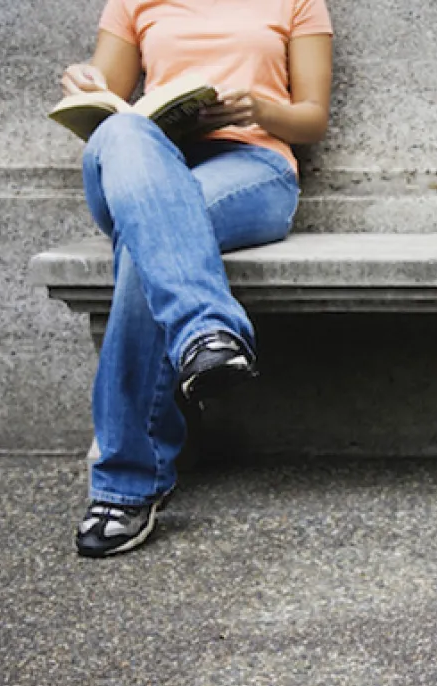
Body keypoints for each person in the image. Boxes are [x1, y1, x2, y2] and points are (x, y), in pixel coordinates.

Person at [62, 0, 333, 557]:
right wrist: (84, 85)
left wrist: (256, 108)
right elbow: (104, 103)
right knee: (126, 134)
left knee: (150, 244)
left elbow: (312, 116)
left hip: (251, 168)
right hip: (144, 161)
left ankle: (125, 487)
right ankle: (206, 334)